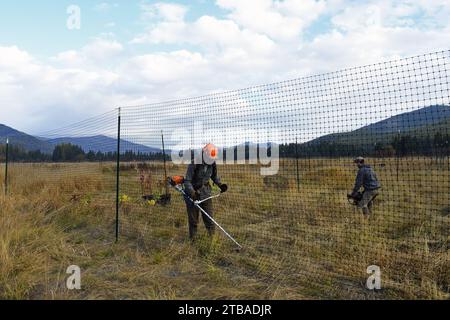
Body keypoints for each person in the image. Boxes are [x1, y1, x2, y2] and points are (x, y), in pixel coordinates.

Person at [183, 144, 228, 239]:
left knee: (209, 219)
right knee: (193, 221)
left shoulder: (212, 163)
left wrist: (220, 185)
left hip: (205, 193)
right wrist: (192, 193)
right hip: (192, 195)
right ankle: (193, 241)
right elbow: (187, 181)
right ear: (204, 154)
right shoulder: (194, 163)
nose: (212, 160)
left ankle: (212, 240)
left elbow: (214, 176)